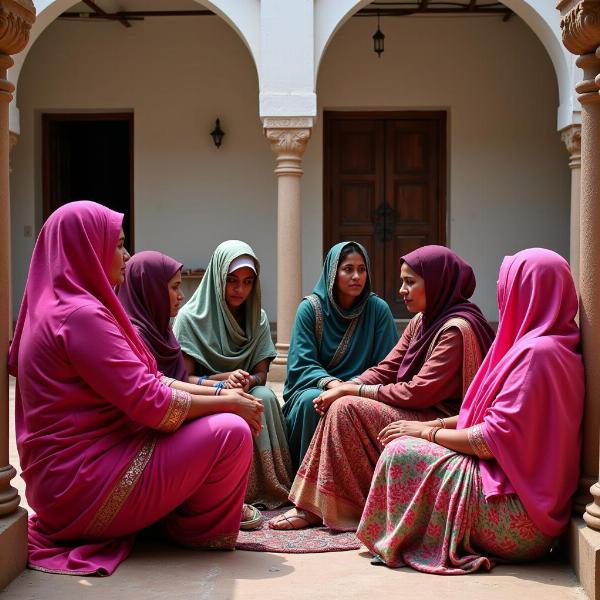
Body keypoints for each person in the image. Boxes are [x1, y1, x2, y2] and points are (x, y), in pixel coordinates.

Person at [9, 201, 264, 576]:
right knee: (231, 433)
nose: (126, 255)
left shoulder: (56, 307)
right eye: (117, 244)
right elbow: (153, 403)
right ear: (86, 248)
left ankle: (164, 515)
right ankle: (192, 533)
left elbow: (150, 380)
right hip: (83, 486)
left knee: (224, 414)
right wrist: (229, 404)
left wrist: (222, 395)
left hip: (63, 486)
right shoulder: (81, 316)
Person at [357, 248, 583, 574]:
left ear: (528, 292)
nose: (502, 296)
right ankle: (398, 538)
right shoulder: (557, 344)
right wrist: (434, 425)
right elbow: (491, 416)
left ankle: (397, 542)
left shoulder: (537, 355)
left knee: (401, 452)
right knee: (402, 440)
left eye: (508, 287)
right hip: (530, 507)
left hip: (517, 517)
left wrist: (427, 432)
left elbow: (491, 439)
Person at [271, 245, 494, 531]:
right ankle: (325, 504)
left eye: (410, 282)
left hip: (442, 419)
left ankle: (327, 507)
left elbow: (417, 392)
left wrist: (351, 392)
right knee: (339, 404)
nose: (401, 290)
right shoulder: (421, 322)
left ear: (438, 283)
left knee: (346, 408)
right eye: (403, 281)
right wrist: (346, 386)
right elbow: (387, 368)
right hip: (414, 407)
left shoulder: (455, 329)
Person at [116, 249, 267, 529]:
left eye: (248, 282)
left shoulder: (160, 331)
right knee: (230, 426)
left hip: (171, 411)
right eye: (174, 287)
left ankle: (256, 488)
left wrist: (229, 389)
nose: (181, 295)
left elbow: (179, 378)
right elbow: (160, 388)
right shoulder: (136, 337)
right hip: (143, 436)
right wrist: (226, 397)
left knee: (259, 399)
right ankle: (195, 512)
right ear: (149, 290)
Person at [173, 240, 293, 509]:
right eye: (232, 280)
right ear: (217, 277)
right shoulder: (190, 319)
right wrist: (222, 381)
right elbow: (182, 379)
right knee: (236, 408)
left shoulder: (256, 317)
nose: (241, 290)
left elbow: (262, 374)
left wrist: (247, 380)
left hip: (244, 388)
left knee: (265, 397)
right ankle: (237, 489)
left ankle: (270, 484)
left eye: (248, 282)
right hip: (205, 394)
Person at [282, 241, 398, 471]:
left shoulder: (378, 310)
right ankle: (307, 485)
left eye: (362, 269)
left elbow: (388, 366)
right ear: (333, 271)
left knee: (352, 405)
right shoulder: (310, 309)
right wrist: (335, 386)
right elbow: (302, 363)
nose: (356, 276)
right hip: (314, 388)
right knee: (310, 402)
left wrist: (352, 388)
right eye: (348, 269)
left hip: (362, 390)